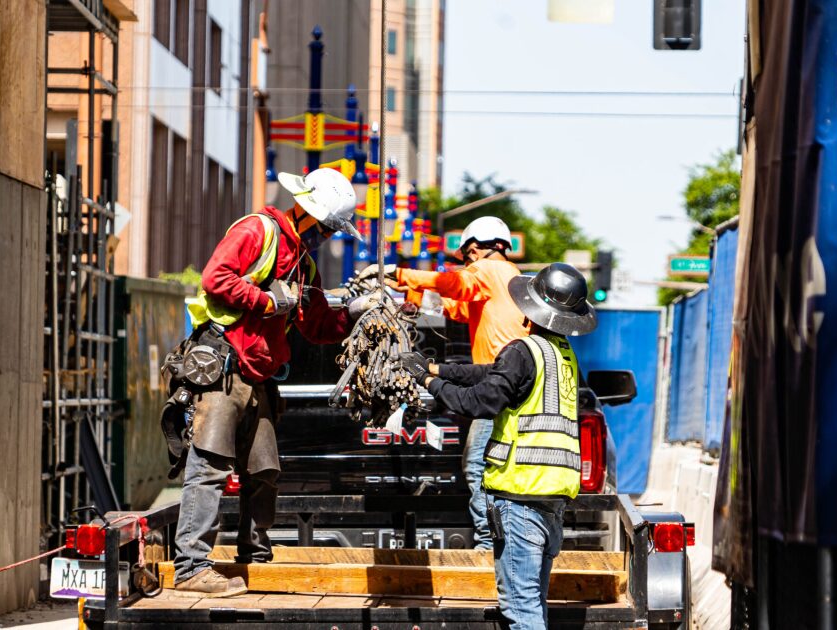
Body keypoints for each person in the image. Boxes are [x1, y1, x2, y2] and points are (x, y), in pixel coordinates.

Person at [171, 168, 370, 597]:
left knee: (263, 470)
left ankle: (254, 557)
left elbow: (317, 326)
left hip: (259, 377)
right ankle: (190, 567)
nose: (329, 237)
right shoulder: (256, 231)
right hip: (224, 369)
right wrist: (265, 300)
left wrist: (354, 311)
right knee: (209, 468)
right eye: (328, 228)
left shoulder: (305, 264)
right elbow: (215, 279)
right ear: (308, 214)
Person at [393, 263, 597, 629]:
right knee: (532, 601)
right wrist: (438, 369)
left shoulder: (522, 351)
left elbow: (477, 403)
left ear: (529, 309)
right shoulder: (561, 356)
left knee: (520, 611)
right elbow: (491, 373)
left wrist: (425, 380)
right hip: (551, 499)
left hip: (519, 498)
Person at [356, 215, 528, 550]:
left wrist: (399, 273)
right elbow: (458, 307)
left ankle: (488, 544)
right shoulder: (510, 277)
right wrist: (414, 295)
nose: (467, 264)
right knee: (497, 465)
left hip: (497, 385)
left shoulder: (488, 270)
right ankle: (503, 537)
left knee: (477, 465)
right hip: (511, 385)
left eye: (466, 258)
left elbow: (455, 284)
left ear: (475, 248)